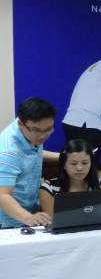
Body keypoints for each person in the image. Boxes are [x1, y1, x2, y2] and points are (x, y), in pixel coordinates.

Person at [0, 98, 60, 228]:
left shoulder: (29, 134)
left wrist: (63, 157)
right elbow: (3, 195)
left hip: (29, 213)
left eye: (49, 129)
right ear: (20, 124)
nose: (43, 135)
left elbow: (29, 154)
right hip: (8, 222)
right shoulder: (8, 153)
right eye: (37, 130)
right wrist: (28, 217)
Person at [39, 139, 101, 217]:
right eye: (73, 163)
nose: (79, 168)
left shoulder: (100, 186)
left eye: (85, 163)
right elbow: (52, 220)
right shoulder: (48, 188)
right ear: (64, 165)